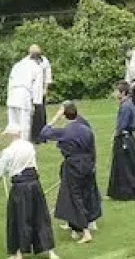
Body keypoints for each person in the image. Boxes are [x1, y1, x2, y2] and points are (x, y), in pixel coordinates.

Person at [0, 127, 58, 259]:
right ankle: (49, 251)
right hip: (34, 183)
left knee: (20, 218)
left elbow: (0, 173)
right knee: (40, 216)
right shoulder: (29, 146)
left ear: (10, 135)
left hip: (20, 187)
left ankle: (19, 252)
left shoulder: (8, 151)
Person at [39, 102, 102, 243]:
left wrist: (55, 117)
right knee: (86, 193)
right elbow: (92, 149)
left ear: (65, 115)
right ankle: (82, 224)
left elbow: (44, 133)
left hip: (73, 165)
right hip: (87, 164)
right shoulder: (87, 129)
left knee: (74, 196)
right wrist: (93, 164)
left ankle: (84, 231)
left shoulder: (66, 131)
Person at [107, 81, 135, 201]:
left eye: (117, 91)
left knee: (125, 166)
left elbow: (122, 124)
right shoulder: (126, 104)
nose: (115, 93)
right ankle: (118, 192)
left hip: (124, 139)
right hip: (125, 137)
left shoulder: (126, 106)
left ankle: (127, 192)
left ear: (122, 92)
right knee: (120, 165)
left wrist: (116, 135)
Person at [5, 47, 43, 137]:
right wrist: (36, 103)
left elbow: (10, 81)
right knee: (24, 123)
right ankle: (23, 143)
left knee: (13, 122)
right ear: (38, 58)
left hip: (12, 94)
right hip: (24, 94)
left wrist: (8, 96)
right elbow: (37, 87)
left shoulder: (17, 65)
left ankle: (13, 142)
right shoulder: (37, 68)